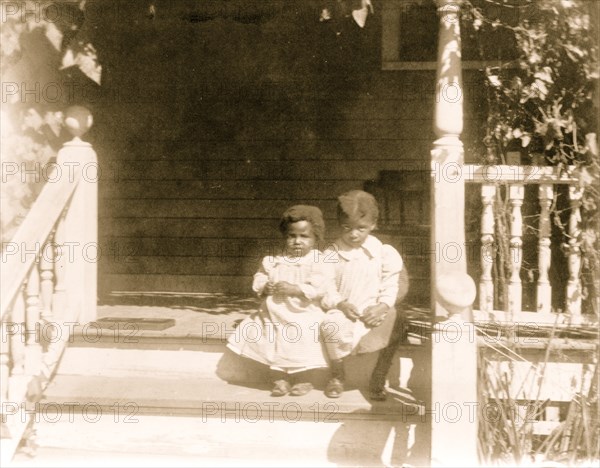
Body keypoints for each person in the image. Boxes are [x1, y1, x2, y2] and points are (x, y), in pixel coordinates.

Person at [227, 205, 332, 397]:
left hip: (304, 310)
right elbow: (260, 277)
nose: (297, 242)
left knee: (305, 335)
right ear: (285, 237)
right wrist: (264, 286)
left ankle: (304, 378)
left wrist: (296, 289)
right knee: (268, 333)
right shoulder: (274, 260)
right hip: (275, 310)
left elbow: (321, 286)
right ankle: (279, 378)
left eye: (304, 237)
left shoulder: (318, 261)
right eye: (292, 236)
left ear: (316, 238)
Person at [320, 190, 409, 400]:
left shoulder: (383, 252)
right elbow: (325, 285)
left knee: (398, 323)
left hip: (374, 308)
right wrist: (340, 304)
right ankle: (337, 373)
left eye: (361, 228)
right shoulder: (331, 253)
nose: (353, 234)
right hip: (344, 309)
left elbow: (391, 283)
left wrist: (383, 306)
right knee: (329, 325)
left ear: (373, 225)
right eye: (347, 228)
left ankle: (379, 377)